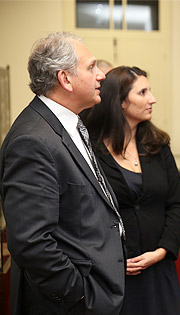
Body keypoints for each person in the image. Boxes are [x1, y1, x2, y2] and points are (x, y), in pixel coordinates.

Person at [0, 32, 125, 314]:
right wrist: (79, 296)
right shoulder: (33, 140)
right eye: (92, 67)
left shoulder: (67, 123)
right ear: (65, 79)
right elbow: (31, 242)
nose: (101, 75)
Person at [81, 66, 180, 314]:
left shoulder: (158, 146)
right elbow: (85, 213)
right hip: (112, 273)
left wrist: (162, 251)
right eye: (143, 92)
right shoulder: (90, 152)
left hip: (159, 269)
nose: (153, 99)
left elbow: (176, 204)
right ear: (120, 103)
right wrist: (110, 258)